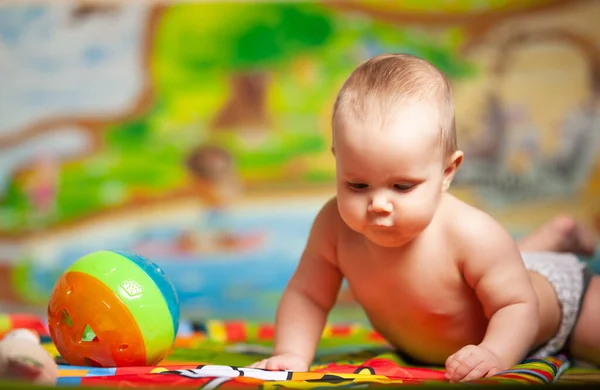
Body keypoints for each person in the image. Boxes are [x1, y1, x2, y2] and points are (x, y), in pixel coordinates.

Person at [249, 53, 600, 383]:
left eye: (402, 186)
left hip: (560, 304)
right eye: (357, 184)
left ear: (448, 171)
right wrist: (291, 354)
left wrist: (494, 352)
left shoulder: (472, 232)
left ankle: (558, 240)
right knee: (500, 271)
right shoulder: (333, 227)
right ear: (337, 160)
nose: (379, 204)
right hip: (496, 277)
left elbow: (518, 304)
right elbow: (308, 295)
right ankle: (552, 238)